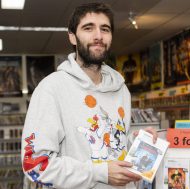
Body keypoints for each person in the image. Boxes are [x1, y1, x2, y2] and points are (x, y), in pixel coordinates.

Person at [21, 2, 157, 188]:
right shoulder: (51, 89)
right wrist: (99, 172)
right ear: (72, 37)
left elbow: (114, 144)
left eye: (105, 29)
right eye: (88, 28)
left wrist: (137, 142)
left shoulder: (121, 89)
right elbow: (34, 165)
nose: (98, 36)